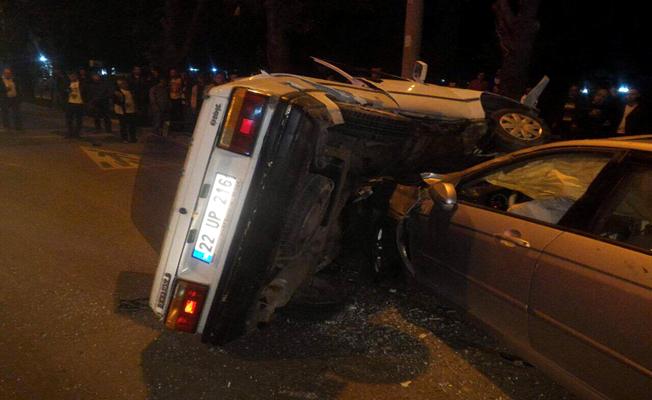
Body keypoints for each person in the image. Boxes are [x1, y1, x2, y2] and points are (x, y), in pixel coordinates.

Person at [65, 72, 87, 138]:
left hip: (79, 103)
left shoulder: (81, 83)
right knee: (69, 119)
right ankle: (70, 133)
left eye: (73, 76)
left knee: (79, 119)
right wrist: (67, 91)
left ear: (76, 76)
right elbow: (63, 90)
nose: (71, 78)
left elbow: (85, 91)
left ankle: (77, 133)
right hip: (70, 102)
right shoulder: (68, 83)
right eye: (70, 76)